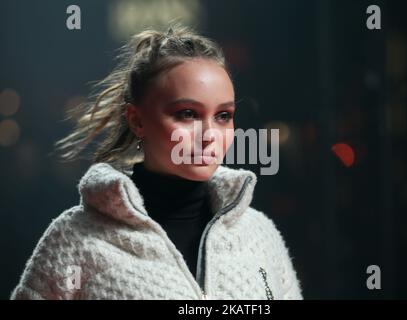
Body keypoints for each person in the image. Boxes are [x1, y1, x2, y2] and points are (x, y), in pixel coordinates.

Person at [10, 24, 303, 300]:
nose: (209, 134)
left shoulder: (258, 234)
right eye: (187, 114)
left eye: (223, 115)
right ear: (137, 120)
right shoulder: (76, 238)